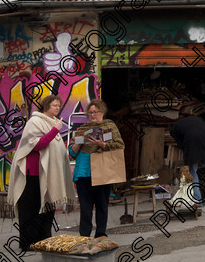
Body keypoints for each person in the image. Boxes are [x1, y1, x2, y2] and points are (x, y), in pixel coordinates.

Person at [7, 94, 74, 250]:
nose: (57, 108)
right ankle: (28, 242)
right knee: (31, 209)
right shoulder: (35, 122)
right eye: (54, 105)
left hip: (48, 174)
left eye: (59, 105)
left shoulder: (53, 123)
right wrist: (54, 131)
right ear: (46, 106)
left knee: (48, 208)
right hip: (33, 173)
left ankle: (44, 239)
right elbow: (37, 145)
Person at [69, 99, 124, 237]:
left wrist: (102, 144)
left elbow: (119, 145)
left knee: (102, 205)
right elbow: (72, 152)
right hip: (84, 172)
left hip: (102, 171)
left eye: (96, 112)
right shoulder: (82, 129)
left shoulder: (109, 126)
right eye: (90, 112)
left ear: (102, 112)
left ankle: (100, 234)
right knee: (86, 208)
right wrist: (78, 144)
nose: (93, 115)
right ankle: (84, 236)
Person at [170, 107, 205, 205]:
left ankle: (198, 200)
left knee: (192, 172)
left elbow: (181, 143)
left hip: (193, 144)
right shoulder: (198, 120)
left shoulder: (175, 127)